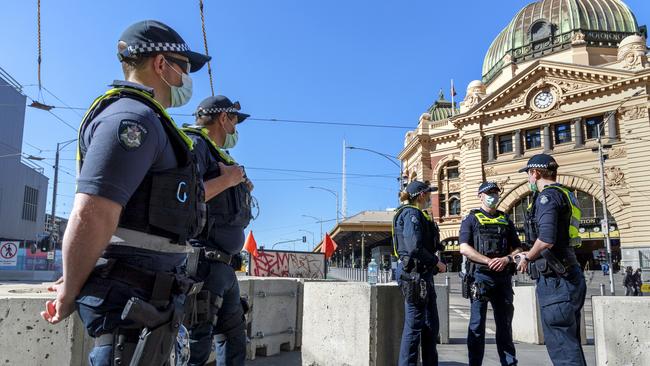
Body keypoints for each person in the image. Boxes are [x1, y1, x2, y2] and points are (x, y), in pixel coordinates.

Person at [39, 20, 210, 366]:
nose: (186, 79)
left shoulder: (149, 119)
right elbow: (94, 212)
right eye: (184, 68)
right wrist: (70, 289)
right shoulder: (134, 120)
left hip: (146, 306)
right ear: (161, 65)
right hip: (128, 312)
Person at [182, 96, 254, 366]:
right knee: (197, 345)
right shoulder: (196, 145)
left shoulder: (218, 154)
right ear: (223, 118)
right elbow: (186, 197)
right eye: (235, 120)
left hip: (225, 267)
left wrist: (239, 185)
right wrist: (229, 180)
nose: (236, 128)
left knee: (234, 339)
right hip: (203, 264)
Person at [516, 153, 587, 366]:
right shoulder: (566, 193)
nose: (529, 180)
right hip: (569, 273)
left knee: (562, 346)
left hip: (556, 279)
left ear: (535, 172)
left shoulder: (547, 197)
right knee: (569, 341)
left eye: (529, 174)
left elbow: (546, 239)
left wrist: (527, 257)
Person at [459, 181, 521, 366]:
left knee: (505, 326)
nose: (493, 196)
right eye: (489, 193)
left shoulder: (505, 219)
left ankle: (509, 363)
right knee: (477, 326)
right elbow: (464, 248)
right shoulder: (471, 219)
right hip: (480, 277)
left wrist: (507, 259)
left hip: (503, 278)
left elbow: (518, 247)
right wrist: (488, 261)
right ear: (480, 196)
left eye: (495, 192)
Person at [392, 180, 446, 366]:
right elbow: (414, 247)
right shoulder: (410, 214)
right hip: (414, 275)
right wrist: (436, 262)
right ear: (421, 195)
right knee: (414, 327)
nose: (431, 197)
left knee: (431, 326)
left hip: (423, 275)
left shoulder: (418, 215)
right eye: (429, 193)